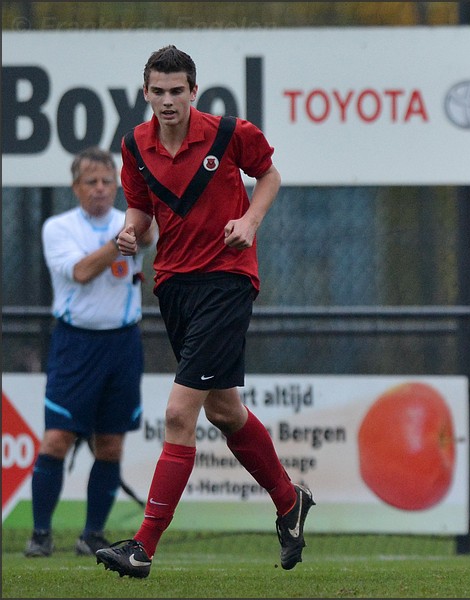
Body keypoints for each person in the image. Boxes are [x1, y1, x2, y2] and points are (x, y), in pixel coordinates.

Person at [95, 45, 314, 579]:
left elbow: (270, 177)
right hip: (173, 284)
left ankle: (142, 546)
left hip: (227, 279)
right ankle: (290, 501)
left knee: (178, 413)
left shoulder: (229, 132)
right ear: (145, 93)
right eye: (158, 91)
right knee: (224, 411)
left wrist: (251, 223)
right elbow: (142, 214)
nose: (167, 101)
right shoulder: (134, 145)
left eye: (177, 91)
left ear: (194, 91)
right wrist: (129, 234)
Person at [25, 147, 156, 558]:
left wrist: (142, 222)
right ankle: (41, 533)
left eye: (106, 181)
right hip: (75, 344)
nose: (100, 189)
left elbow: (150, 236)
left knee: (111, 445)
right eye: (91, 182)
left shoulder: (129, 223)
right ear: (75, 186)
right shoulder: (58, 228)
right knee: (56, 439)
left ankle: (92, 534)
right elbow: (80, 272)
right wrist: (119, 246)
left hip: (122, 344)